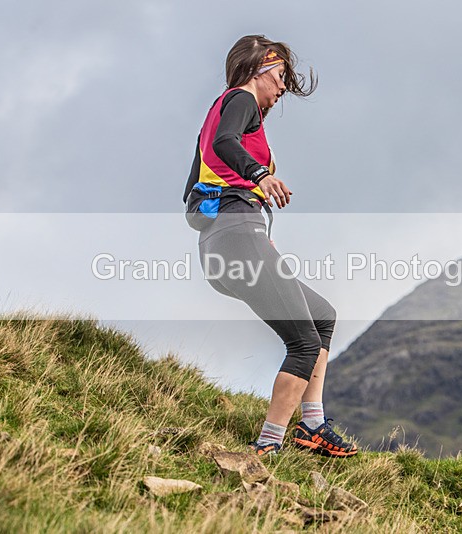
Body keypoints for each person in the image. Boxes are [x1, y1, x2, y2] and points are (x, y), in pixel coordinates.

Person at [182, 35, 357, 458]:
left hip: (231, 241)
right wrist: (259, 177)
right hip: (235, 237)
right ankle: (268, 444)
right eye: (280, 77)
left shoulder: (225, 113)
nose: (281, 90)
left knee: (322, 317)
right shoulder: (239, 100)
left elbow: (193, 193)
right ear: (259, 67)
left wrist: (251, 226)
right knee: (303, 342)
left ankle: (312, 423)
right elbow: (227, 143)